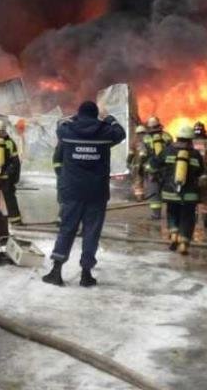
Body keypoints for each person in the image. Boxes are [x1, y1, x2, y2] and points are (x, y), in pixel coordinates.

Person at [44, 101, 126, 288]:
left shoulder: (67, 132)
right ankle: (86, 274)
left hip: (72, 191)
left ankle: (56, 271)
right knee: (91, 232)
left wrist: (76, 118)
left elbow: (60, 125)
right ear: (96, 115)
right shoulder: (105, 133)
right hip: (96, 192)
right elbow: (121, 133)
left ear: (79, 114)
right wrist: (109, 119)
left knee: (67, 229)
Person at [154, 123, 204, 255]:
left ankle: (174, 235)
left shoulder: (167, 150)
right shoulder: (195, 154)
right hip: (190, 194)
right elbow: (200, 172)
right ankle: (184, 244)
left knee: (172, 213)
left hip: (170, 192)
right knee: (188, 217)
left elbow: (155, 165)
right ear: (190, 139)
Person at [140, 116, 173, 220]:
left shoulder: (145, 138)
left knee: (154, 192)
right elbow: (172, 151)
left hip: (152, 168)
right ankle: (171, 213)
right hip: (166, 168)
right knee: (170, 191)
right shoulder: (167, 136)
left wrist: (142, 167)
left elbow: (142, 155)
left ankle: (156, 214)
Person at [189, 121, 207, 229]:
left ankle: (192, 219)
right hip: (206, 176)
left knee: (192, 198)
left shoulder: (189, 143)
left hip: (191, 176)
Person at [127, 124, 148, 200]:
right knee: (150, 179)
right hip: (148, 164)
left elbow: (131, 153)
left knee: (138, 180)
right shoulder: (148, 139)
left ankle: (139, 197)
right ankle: (151, 194)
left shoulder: (134, 141)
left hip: (138, 164)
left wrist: (128, 162)